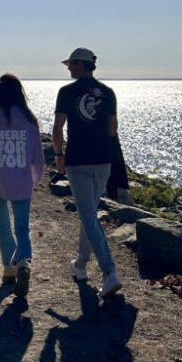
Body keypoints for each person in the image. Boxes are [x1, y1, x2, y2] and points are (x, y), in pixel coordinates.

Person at [52, 47, 122, 299]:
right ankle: (81, 265)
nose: (68, 68)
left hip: (78, 161)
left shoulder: (67, 92)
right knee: (89, 213)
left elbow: (57, 129)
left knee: (88, 214)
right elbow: (112, 130)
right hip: (103, 160)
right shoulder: (108, 92)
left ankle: (109, 272)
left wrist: (58, 155)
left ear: (80, 64)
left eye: (70, 64)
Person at [0, 74, 44, 297]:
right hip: (22, 180)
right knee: (22, 227)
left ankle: (8, 268)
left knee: (3, 224)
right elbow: (37, 155)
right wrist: (35, 176)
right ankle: (24, 261)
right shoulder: (30, 119)